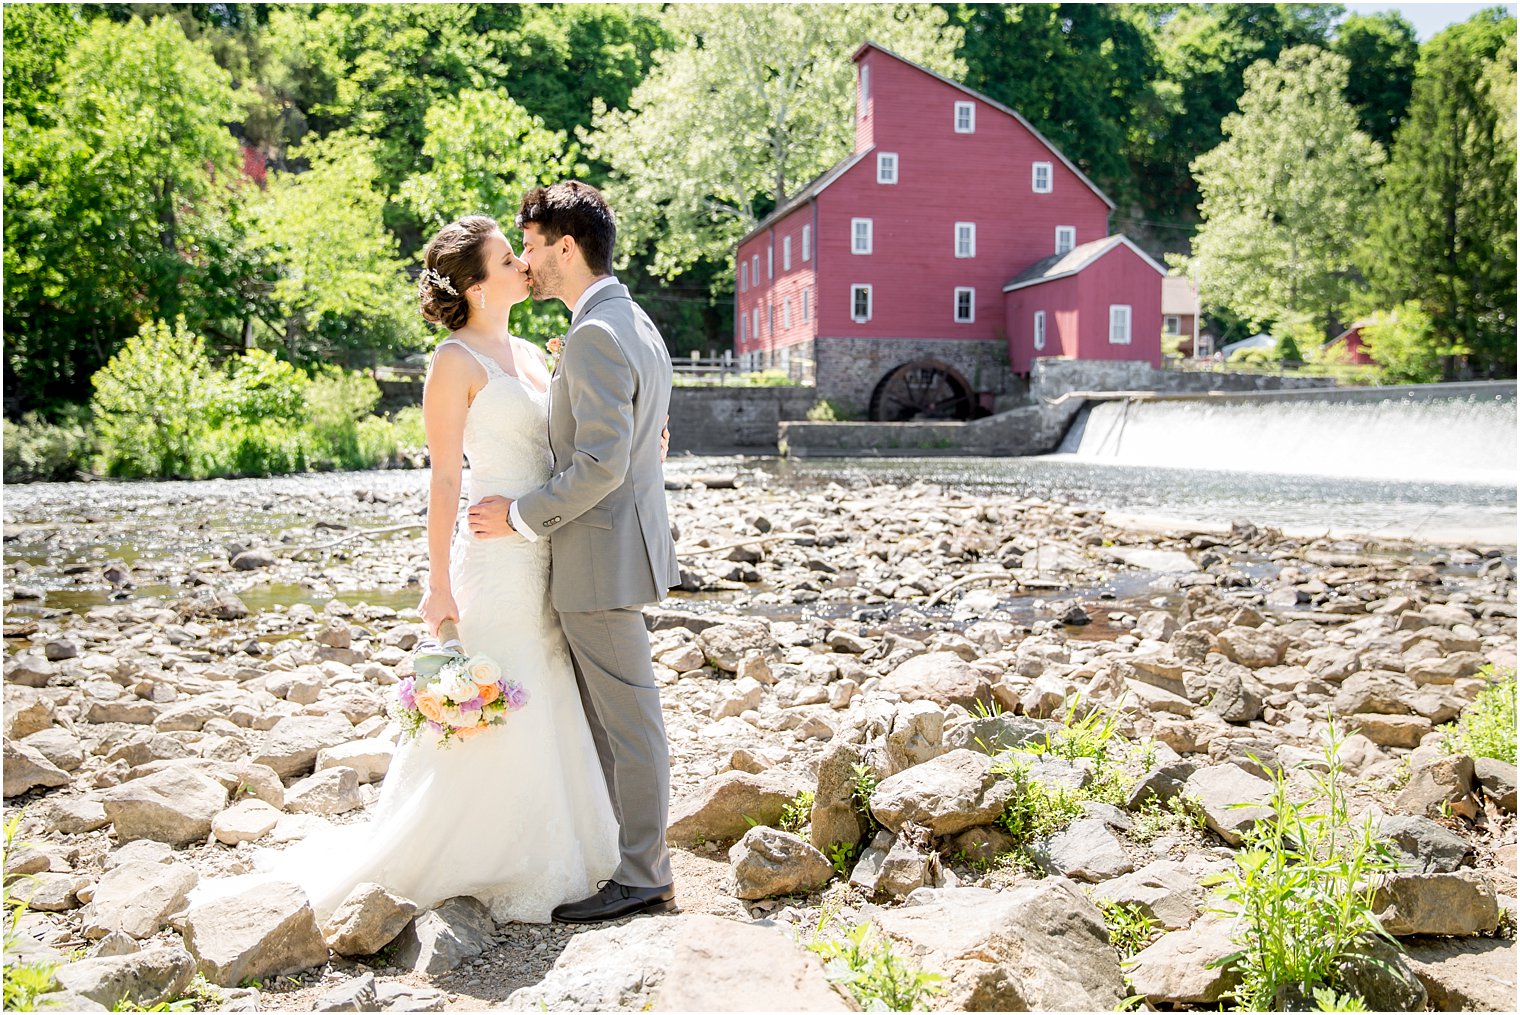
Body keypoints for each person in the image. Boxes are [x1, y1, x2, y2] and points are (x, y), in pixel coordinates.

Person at [191, 214, 633, 924]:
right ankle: (474, 854)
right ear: (479, 285)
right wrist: (438, 584)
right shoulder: (452, 361)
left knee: (547, 689)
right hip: (492, 557)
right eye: (505, 257)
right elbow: (444, 482)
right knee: (501, 688)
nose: (523, 263)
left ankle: (567, 845)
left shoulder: (530, 351)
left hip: (542, 543)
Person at [466, 182, 681, 923]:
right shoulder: (631, 318)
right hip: (620, 547)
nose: (525, 261)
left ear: (565, 246)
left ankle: (644, 872)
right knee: (623, 719)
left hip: (598, 556)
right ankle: (630, 857)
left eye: (529, 245)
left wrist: (521, 516)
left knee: (629, 722)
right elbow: (643, 427)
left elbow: (600, 463)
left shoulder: (594, 331)